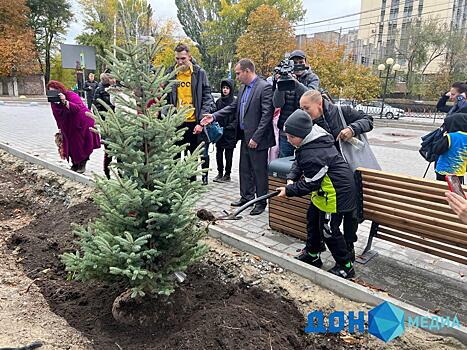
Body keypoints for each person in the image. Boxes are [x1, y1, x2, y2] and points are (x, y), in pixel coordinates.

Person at [276, 110, 356, 279]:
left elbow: (312, 183)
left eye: (291, 137)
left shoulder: (315, 152)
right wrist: (291, 178)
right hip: (323, 192)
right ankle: (313, 255)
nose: (288, 140)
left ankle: (346, 266)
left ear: (302, 135)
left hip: (336, 194)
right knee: (312, 220)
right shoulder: (308, 142)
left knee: (329, 230)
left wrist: (289, 190)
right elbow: (299, 161)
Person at [298, 90, 374, 261]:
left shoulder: (343, 111)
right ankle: (314, 249)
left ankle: (348, 248)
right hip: (328, 178)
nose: (304, 113)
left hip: (351, 173)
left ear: (319, 104)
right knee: (317, 214)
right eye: (301, 109)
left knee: (350, 216)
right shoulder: (308, 123)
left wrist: (351, 129)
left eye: (306, 108)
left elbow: (368, 120)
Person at [201, 59, 275, 215]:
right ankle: (246, 197)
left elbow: (266, 115)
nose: (237, 77)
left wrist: (256, 137)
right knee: (244, 169)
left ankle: (260, 202)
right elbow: (233, 107)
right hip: (244, 136)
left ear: (247, 71)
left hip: (258, 139)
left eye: (238, 73)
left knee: (259, 172)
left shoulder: (264, 88)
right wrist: (213, 117)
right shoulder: (243, 88)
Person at [166, 44, 215, 185]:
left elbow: (207, 96)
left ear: (190, 57)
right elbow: (165, 97)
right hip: (175, 122)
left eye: (183, 58)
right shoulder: (171, 73)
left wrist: (202, 120)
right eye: (177, 59)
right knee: (174, 156)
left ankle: (190, 184)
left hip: (193, 122)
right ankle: (174, 184)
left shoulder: (199, 73)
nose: (180, 62)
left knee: (191, 156)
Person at [273, 50, 320, 157]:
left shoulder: (312, 78)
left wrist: (295, 83)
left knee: (306, 164)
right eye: (295, 63)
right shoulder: (285, 77)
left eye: (300, 62)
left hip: (306, 132)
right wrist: (280, 83)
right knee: (284, 165)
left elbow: (311, 97)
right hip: (287, 132)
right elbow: (277, 103)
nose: (298, 65)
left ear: (305, 63)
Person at [47, 80, 101, 173]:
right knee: (70, 144)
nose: (53, 93)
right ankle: (75, 164)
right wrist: (59, 128)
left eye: (55, 90)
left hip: (83, 121)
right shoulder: (53, 102)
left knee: (81, 144)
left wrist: (64, 101)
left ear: (60, 89)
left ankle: (82, 164)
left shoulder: (71, 95)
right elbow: (56, 115)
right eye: (51, 91)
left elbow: (76, 108)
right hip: (68, 124)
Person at [213, 79, 237, 183]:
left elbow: (237, 118)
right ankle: (219, 172)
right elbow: (216, 114)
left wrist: (230, 126)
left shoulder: (234, 102)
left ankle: (227, 174)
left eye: (227, 88)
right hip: (219, 131)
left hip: (230, 132)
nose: (225, 90)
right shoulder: (219, 101)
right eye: (223, 88)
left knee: (229, 154)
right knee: (218, 153)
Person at [93, 73, 116, 179]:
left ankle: (120, 173)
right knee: (109, 151)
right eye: (110, 78)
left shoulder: (116, 89)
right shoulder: (100, 90)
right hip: (107, 124)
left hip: (118, 122)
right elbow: (96, 107)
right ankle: (107, 173)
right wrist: (104, 120)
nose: (112, 80)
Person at [433, 113, 467, 183]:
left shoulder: (451, 136)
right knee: (455, 190)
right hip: (459, 172)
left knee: (442, 189)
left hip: (444, 171)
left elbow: (436, 149)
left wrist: (442, 137)